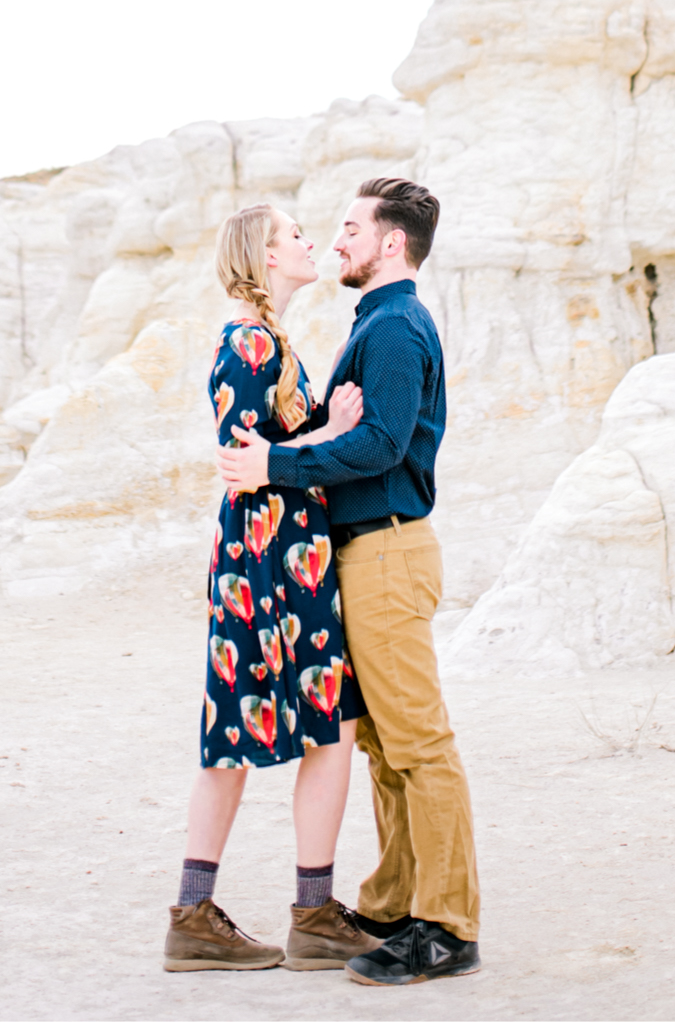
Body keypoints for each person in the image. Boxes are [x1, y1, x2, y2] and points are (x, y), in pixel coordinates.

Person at [221, 176, 482, 987]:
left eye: (350, 228)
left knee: (418, 742)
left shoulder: (397, 325)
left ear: (391, 242)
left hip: (388, 553)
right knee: (382, 743)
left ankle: (448, 926)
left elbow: (382, 445)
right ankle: (397, 902)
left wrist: (277, 464)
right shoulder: (375, 320)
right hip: (363, 556)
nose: (336, 241)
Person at [164, 202, 387, 974]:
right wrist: (330, 433)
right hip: (272, 559)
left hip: (272, 557)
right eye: (294, 235)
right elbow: (244, 462)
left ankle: (201, 916)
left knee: (250, 731)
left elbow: (268, 449)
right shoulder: (249, 342)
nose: (309, 242)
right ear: (262, 254)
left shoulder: (267, 339)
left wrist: (317, 429)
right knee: (322, 727)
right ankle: (305, 915)